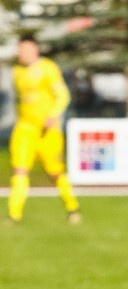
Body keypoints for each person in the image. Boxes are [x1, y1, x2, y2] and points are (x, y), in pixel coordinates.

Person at [7, 34, 81, 224]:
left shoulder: (48, 68)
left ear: (35, 50)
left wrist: (53, 114)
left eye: (25, 49)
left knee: (54, 172)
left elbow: (62, 95)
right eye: (20, 49)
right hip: (24, 129)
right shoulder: (17, 71)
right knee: (19, 171)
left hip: (47, 131)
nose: (21, 53)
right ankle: (14, 215)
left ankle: (72, 207)